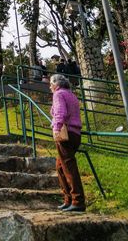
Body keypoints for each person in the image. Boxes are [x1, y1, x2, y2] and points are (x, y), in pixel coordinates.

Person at [50, 73, 86, 212]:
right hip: (75, 134)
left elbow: (60, 112)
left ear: (56, 84)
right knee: (60, 166)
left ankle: (78, 201)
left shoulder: (58, 94)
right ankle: (68, 199)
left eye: (51, 84)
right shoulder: (71, 94)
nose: (50, 87)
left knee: (68, 167)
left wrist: (57, 128)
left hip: (66, 133)